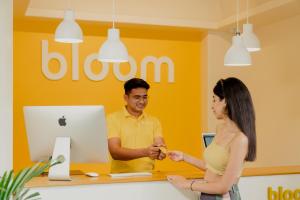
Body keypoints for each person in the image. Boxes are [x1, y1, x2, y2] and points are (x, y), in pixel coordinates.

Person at [167, 77, 256, 200]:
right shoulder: (220, 128)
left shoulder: (240, 139)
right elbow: (212, 167)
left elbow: (224, 186)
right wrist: (184, 157)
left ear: (225, 102)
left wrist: (187, 184)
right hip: (208, 194)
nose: (212, 106)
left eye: (214, 100)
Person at [107, 78, 166, 173]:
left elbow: (160, 145)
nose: (142, 101)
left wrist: (160, 152)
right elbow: (115, 152)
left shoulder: (154, 121)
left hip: (149, 177)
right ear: (126, 98)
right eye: (137, 97)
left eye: (145, 97)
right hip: (120, 179)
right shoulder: (112, 119)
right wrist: (146, 152)